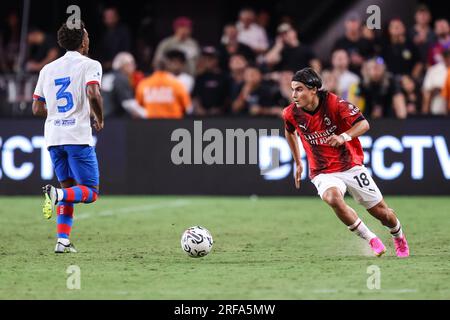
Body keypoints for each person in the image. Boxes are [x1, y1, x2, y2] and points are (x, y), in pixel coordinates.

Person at [282, 67, 409, 258]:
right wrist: (298, 161)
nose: (294, 95)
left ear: (313, 89)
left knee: (384, 214)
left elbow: (364, 124)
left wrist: (343, 136)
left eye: (299, 89)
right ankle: (371, 239)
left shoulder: (335, 104)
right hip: (322, 170)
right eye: (292, 90)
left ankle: (398, 236)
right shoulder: (291, 113)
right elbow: (289, 131)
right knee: (333, 198)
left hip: (350, 165)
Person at [32, 21, 104, 253]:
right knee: (90, 192)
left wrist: (56, 113)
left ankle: (62, 240)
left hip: (54, 138)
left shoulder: (47, 69)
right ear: (83, 40)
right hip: (77, 136)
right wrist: (98, 117)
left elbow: (36, 108)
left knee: (70, 189)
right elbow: (93, 92)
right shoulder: (90, 65)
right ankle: (57, 194)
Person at [136, 54, 192, 119]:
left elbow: (138, 106)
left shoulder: (144, 84)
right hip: (174, 126)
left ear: (153, 66)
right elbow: (188, 108)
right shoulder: (176, 84)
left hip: (151, 125)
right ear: (167, 67)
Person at [101, 52, 147, 118]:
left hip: (101, 118)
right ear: (124, 65)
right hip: (114, 120)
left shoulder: (105, 76)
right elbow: (128, 104)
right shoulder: (121, 79)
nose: (134, 67)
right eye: (132, 64)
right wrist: (146, 114)